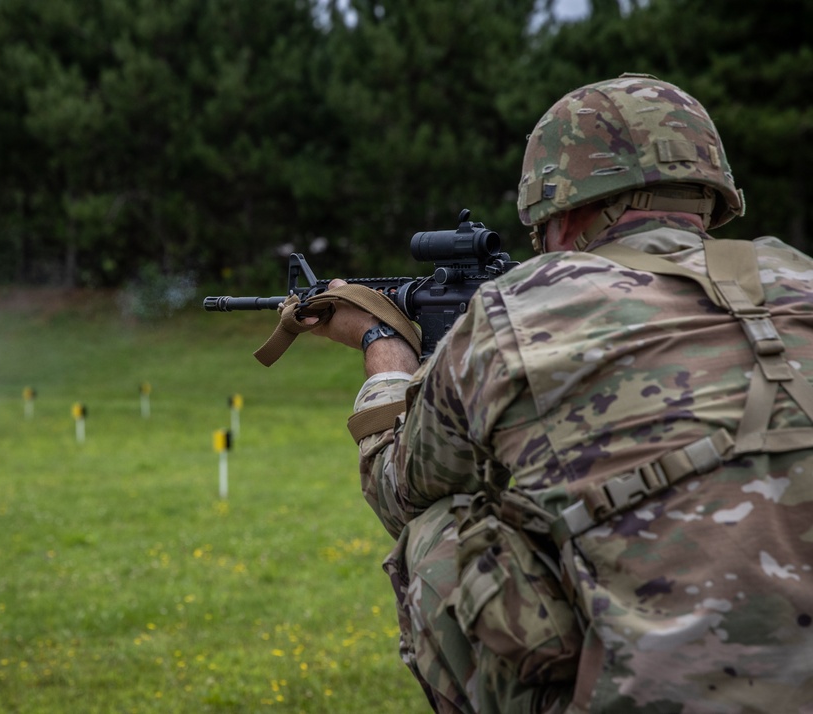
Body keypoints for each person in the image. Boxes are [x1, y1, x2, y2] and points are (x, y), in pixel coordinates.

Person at [305, 73, 813, 712]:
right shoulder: (799, 277)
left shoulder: (520, 310)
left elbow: (397, 488)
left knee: (439, 534)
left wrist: (383, 347)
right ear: (710, 198)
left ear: (563, 214)